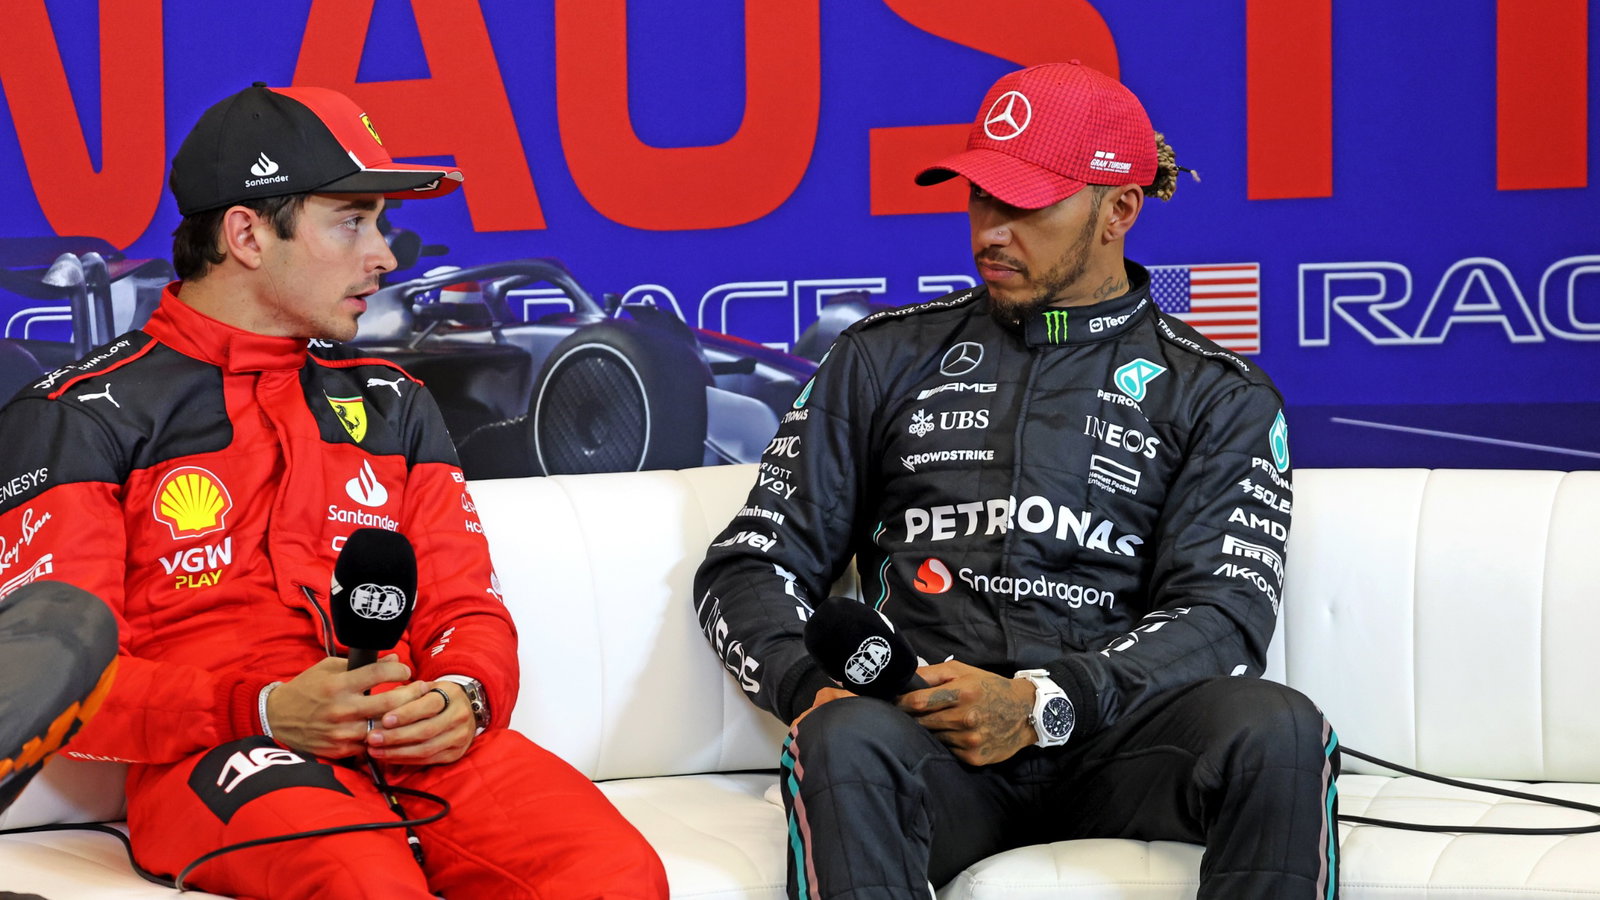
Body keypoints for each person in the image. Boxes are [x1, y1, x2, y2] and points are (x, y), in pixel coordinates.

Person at [0, 84, 666, 899]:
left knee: (616, 875)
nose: (384, 254)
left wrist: (463, 694)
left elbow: (467, 606)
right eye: (352, 221)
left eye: (380, 223)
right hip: (220, 757)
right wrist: (267, 709)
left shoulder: (394, 401)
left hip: (409, 743)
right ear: (246, 233)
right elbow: (54, 681)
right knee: (360, 883)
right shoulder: (79, 415)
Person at [694, 61, 1337, 899]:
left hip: (1117, 737)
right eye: (980, 197)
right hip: (928, 735)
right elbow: (750, 565)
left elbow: (1223, 616)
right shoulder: (879, 358)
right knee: (841, 739)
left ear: (1119, 210)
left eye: (1026, 204)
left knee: (1281, 728)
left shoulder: (1218, 391)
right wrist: (807, 685)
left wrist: (1043, 701)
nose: (989, 231)